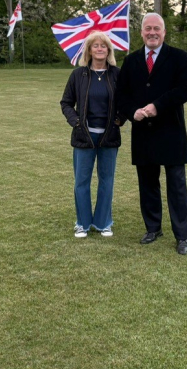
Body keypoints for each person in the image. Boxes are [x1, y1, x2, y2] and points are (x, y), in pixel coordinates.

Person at [116, 13, 187, 255]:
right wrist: (132, 112)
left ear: (164, 32)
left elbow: (185, 89)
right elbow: (121, 95)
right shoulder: (130, 61)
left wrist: (157, 106)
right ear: (141, 32)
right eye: (147, 28)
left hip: (171, 131)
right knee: (147, 184)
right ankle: (153, 228)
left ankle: (182, 236)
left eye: (156, 29)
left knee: (176, 186)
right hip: (143, 133)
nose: (152, 32)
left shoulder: (179, 58)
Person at [60, 31, 124, 238]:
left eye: (103, 45)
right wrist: (76, 122)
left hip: (109, 137)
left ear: (108, 50)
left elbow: (127, 101)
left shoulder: (116, 74)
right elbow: (66, 103)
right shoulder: (79, 75)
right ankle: (83, 223)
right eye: (95, 45)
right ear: (88, 50)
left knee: (107, 180)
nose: (99, 49)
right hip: (84, 136)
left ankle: (104, 222)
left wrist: (119, 120)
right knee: (81, 181)